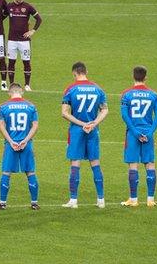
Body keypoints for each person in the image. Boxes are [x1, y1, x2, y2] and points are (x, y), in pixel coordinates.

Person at [61, 62, 108, 209]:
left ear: (74, 73)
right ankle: (101, 200)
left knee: (75, 164)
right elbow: (105, 110)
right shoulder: (98, 89)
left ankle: (73, 201)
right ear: (86, 71)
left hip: (76, 131)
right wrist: (93, 123)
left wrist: (82, 124)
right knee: (95, 163)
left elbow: (64, 113)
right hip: (93, 131)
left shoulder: (71, 89)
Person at [120, 66, 157, 207]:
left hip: (133, 134)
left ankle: (134, 200)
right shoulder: (153, 95)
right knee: (150, 164)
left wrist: (135, 132)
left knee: (133, 164)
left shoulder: (126, 94)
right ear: (145, 77)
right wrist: (149, 133)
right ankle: (150, 199)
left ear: (133, 76)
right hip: (147, 133)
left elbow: (125, 115)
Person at [0, 83, 40, 210]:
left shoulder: (3, 107)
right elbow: (35, 125)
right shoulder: (31, 106)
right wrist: (26, 140)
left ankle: (3, 203)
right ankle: (34, 203)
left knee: (6, 172)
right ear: (22, 92)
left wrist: (10, 141)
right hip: (26, 144)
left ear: (9, 93)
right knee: (30, 172)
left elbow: (1, 126)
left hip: (11, 145)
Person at [5, 0, 42, 91]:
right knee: (11, 62)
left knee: (26, 62)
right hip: (12, 40)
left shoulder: (28, 7)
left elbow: (39, 19)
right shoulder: (9, 6)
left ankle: (27, 85)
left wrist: (32, 31)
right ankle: (11, 85)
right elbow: (0, 16)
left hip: (24, 41)